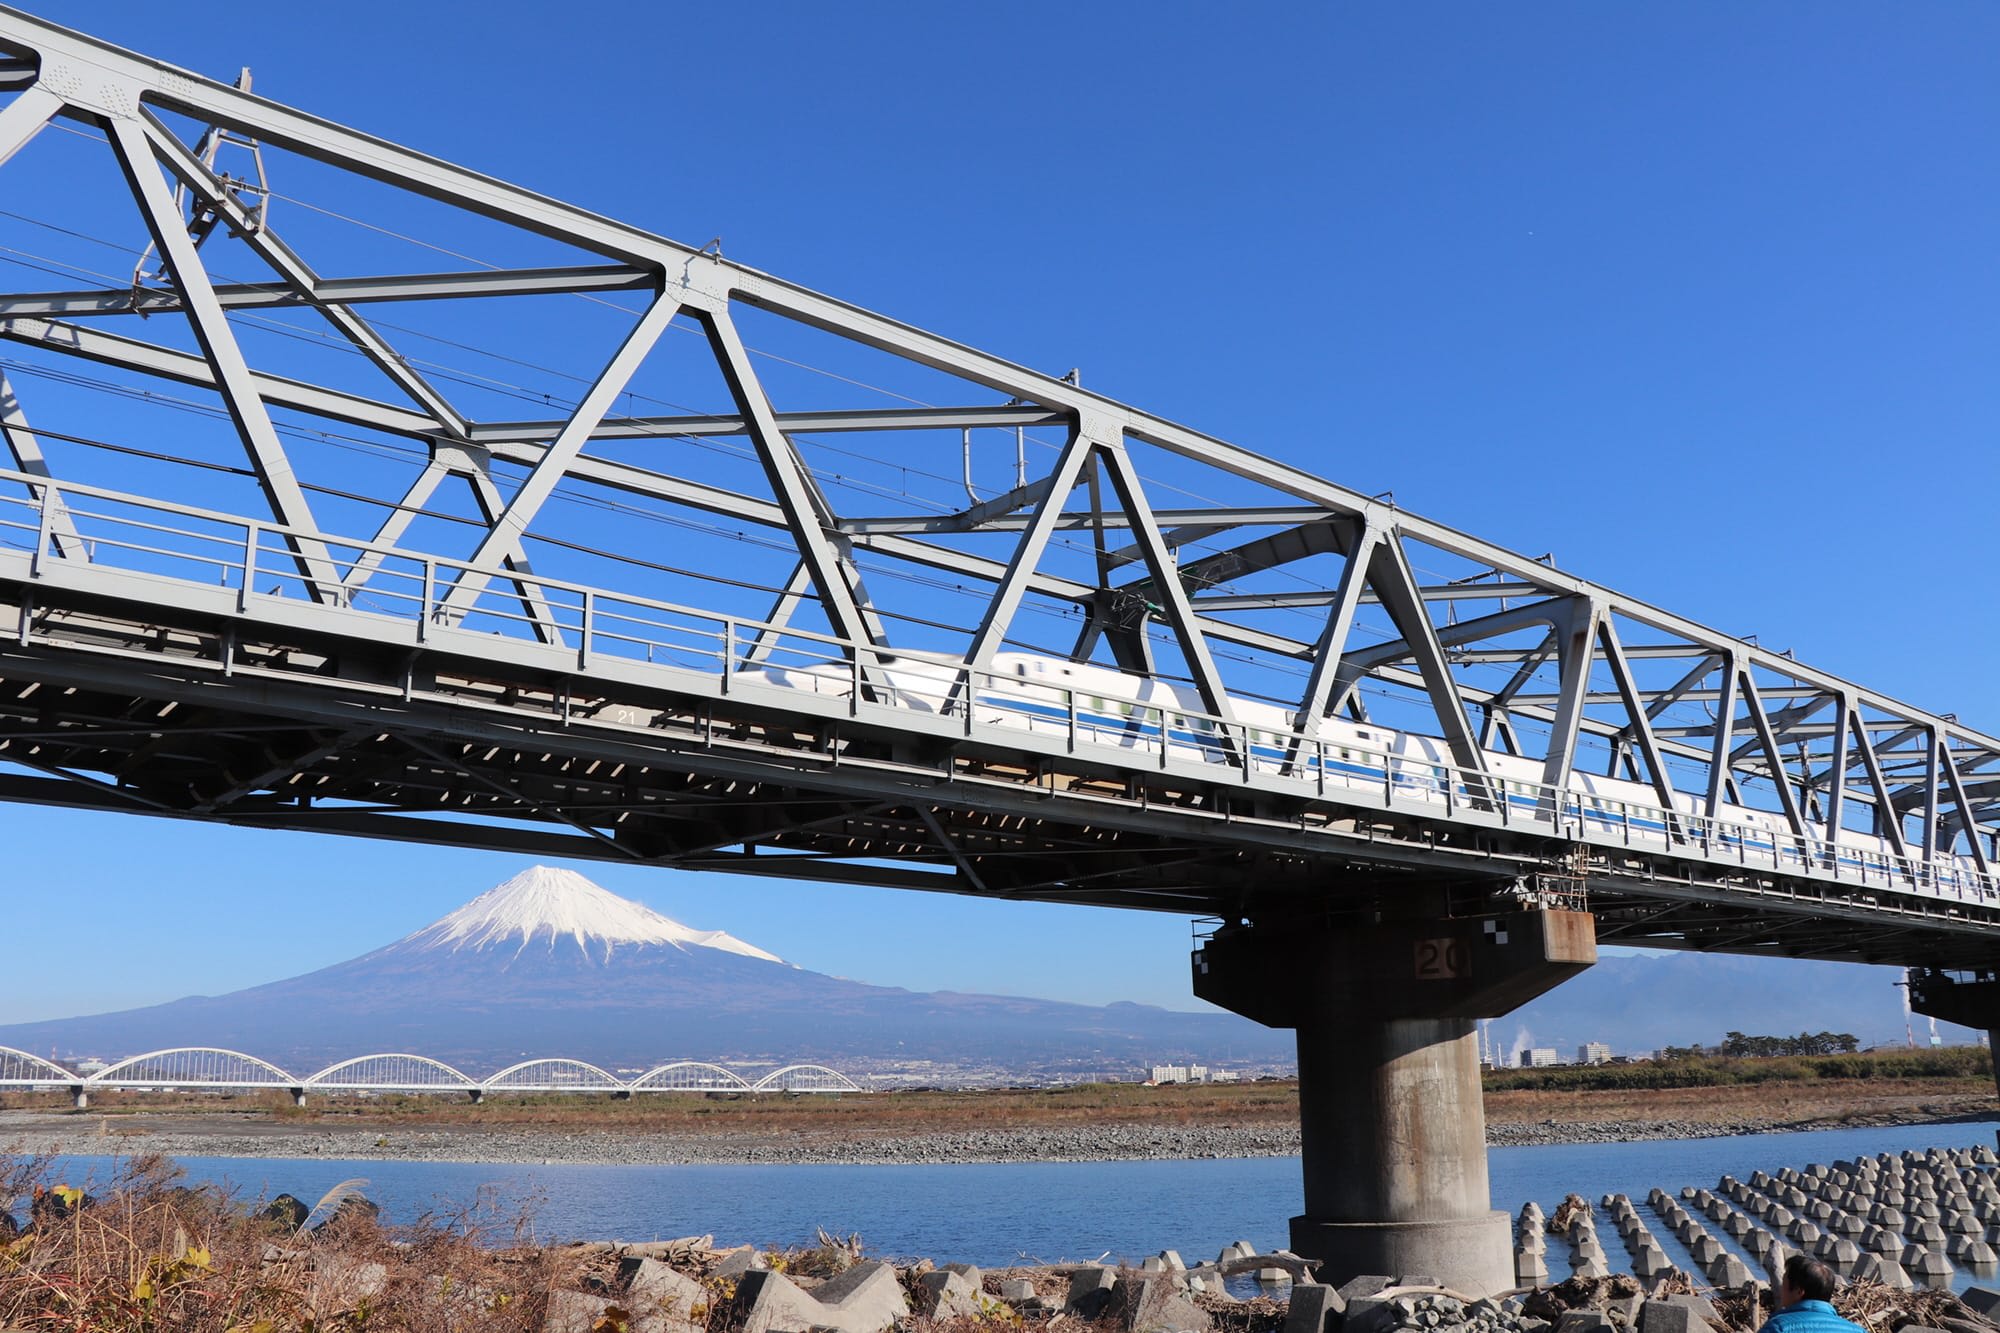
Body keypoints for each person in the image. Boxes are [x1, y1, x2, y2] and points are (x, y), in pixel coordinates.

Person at [1756, 1254, 1862, 1333]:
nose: (1780, 1289)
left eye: (1783, 1283)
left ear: (1799, 1291)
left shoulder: (1779, 1328)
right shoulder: (1857, 1331)